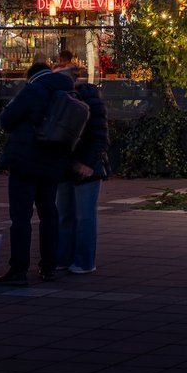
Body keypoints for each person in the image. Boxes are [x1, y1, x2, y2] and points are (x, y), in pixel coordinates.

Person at [0, 60, 75, 285]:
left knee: (21, 217)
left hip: (25, 161)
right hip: (52, 161)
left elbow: (6, 121)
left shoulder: (33, 90)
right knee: (49, 213)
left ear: (31, 76)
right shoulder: (67, 91)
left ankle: (19, 269)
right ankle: (48, 266)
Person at [55, 65, 110, 276]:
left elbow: (99, 136)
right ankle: (70, 258)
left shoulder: (86, 101)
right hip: (74, 164)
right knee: (70, 214)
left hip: (84, 166)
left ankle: (82, 260)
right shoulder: (75, 100)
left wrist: (87, 162)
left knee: (79, 216)